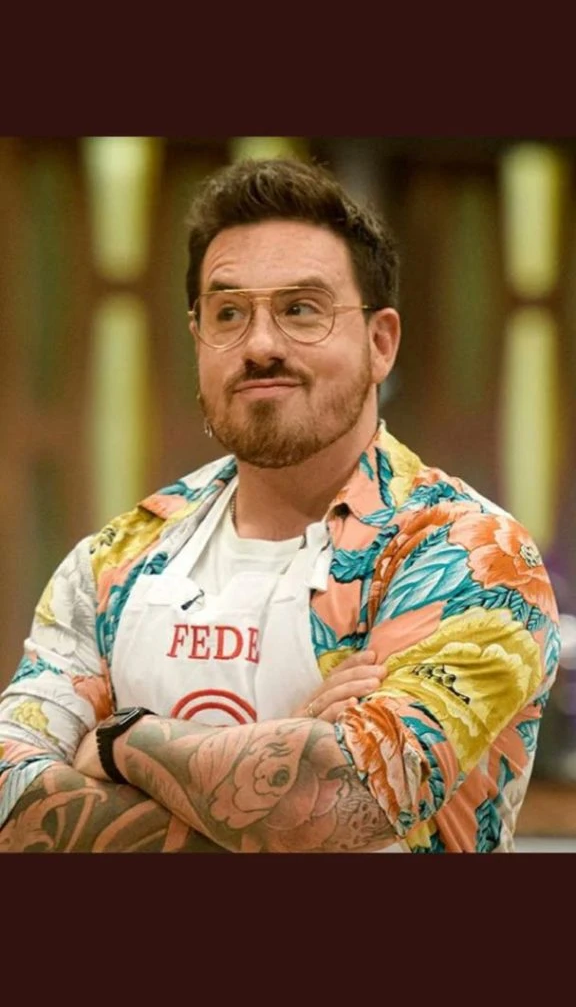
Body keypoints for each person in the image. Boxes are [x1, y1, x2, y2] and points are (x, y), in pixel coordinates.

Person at [0, 157, 560, 854]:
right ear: (198, 337)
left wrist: (119, 743)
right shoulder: (115, 560)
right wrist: (284, 761)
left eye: (301, 310)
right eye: (229, 313)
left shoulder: (467, 556)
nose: (260, 345)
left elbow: (344, 801)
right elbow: (9, 801)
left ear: (380, 343)